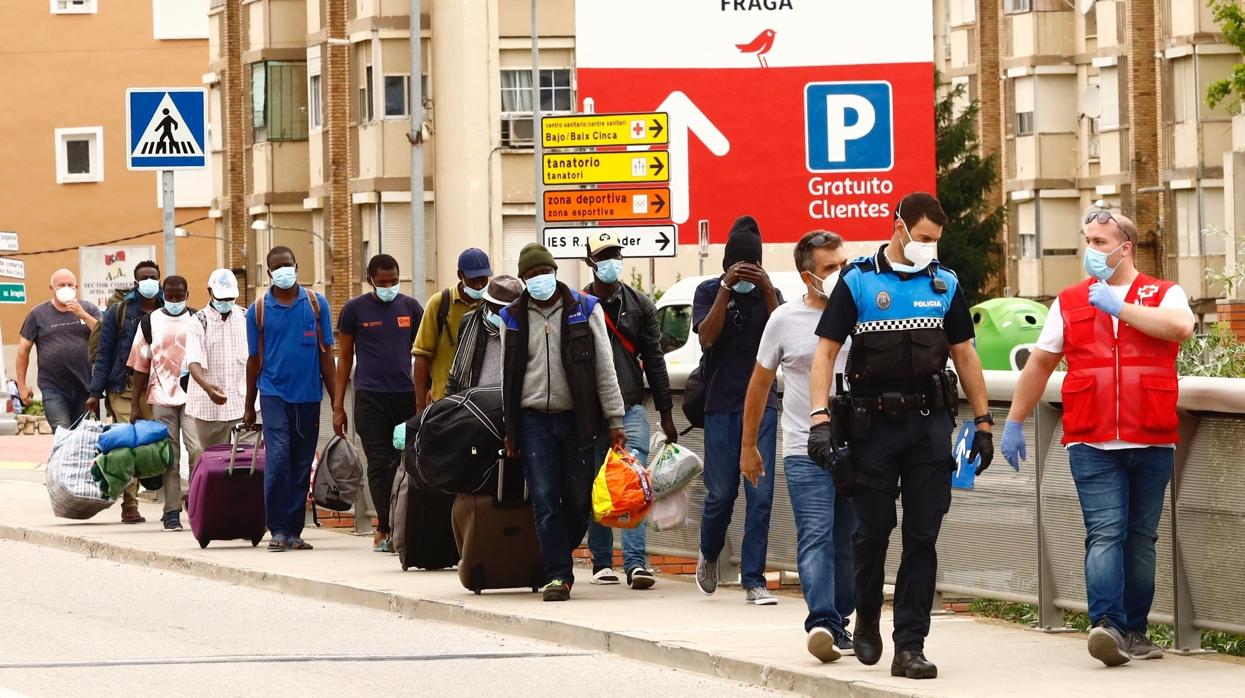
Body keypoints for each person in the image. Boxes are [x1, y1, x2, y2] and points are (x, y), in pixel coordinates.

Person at [807, 192, 994, 680]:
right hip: (871, 427)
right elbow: (826, 353)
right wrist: (820, 419)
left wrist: (983, 421)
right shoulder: (860, 280)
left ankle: (910, 644)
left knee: (922, 537)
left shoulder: (944, 282)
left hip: (929, 426)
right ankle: (866, 616)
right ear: (900, 228)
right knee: (872, 534)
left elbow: (965, 354)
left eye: (936, 240)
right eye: (924, 238)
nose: (930, 247)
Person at [1001, 210, 1194, 667]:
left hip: (1151, 438)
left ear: (1125, 247)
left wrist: (1120, 308)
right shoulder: (1069, 301)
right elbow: (1040, 364)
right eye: (1088, 239)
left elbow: (1181, 328)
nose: (1092, 249)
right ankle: (1107, 627)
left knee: (1141, 539)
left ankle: (1135, 632)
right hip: (1092, 440)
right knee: (1105, 533)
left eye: (1101, 241)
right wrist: (1013, 420)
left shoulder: (1164, 293)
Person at [741, 231, 855, 662]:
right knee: (816, 536)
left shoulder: (862, 314)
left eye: (842, 263)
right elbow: (759, 385)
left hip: (856, 447)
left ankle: (839, 618)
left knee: (851, 538)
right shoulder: (784, 320)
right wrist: (748, 446)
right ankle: (822, 622)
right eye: (830, 268)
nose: (839, 273)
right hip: (804, 446)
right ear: (808, 276)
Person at [500, 242, 627, 602]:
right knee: (543, 497)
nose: (539, 279)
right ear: (523, 280)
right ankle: (557, 574)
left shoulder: (584, 309)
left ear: (555, 271)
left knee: (578, 499)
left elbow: (605, 368)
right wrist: (511, 429)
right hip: (533, 420)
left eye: (544, 272)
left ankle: (560, 549)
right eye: (531, 275)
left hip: (578, 419)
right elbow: (508, 376)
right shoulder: (512, 316)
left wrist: (615, 419)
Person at [692, 215, 783, 606]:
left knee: (760, 497)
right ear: (726, 264)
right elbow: (707, 338)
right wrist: (727, 290)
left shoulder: (770, 295)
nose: (746, 270)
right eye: (738, 264)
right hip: (721, 405)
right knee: (721, 494)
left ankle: (754, 579)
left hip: (763, 406)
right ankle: (710, 554)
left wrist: (765, 292)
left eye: (752, 264)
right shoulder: (708, 290)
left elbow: (784, 338)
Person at [580, 230, 678, 591]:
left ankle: (636, 563)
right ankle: (602, 561)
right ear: (590, 263)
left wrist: (666, 413)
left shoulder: (640, 304)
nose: (612, 261)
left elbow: (654, 358)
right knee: (598, 481)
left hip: (632, 405)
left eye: (616, 254)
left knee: (633, 483)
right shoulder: (579, 305)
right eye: (604, 255)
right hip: (590, 411)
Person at [243, 246, 336, 552]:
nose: (284, 271)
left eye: (288, 265)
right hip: (273, 395)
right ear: (269, 274)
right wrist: (248, 406)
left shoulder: (316, 304)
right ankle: (277, 529)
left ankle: (295, 530)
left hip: (309, 396)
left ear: (297, 266)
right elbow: (254, 361)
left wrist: (337, 404)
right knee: (279, 458)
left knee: (300, 463)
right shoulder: (257, 310)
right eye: (277, 267)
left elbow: (327, 358)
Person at [333, 254, 424, 553]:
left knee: (407, 462)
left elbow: (422, 353)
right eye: (383, 282)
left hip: (405, 396)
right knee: (378, 464)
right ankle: (383, 527)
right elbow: (344, 358)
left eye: (394, 281)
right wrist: (338, 405)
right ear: (370, 279)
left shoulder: (411, 308)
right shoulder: (354, 310)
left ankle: (406, 525)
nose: (389, 287)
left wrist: (426, 395)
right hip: (369, 397)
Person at [87, 260, 164, 524]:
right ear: (135, 282)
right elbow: (105, 354)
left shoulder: (170, 310)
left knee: (155, 443)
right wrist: (95, 392)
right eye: (144, 278)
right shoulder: (118, 312)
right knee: (127, 444)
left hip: (157, 387)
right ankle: (130, 505)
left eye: (153, 277)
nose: (149, 282)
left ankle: (169, 502)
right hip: (123, 386)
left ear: (160, 279)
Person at [127, 276, 197, 532]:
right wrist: (135, 404)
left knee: (198, 451)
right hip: (161, 397)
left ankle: (197, 502)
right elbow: (140, 367)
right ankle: (171, 512)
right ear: (162, 294)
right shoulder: (150, 322)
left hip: (193, 398)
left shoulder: (197, 320)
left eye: (180, 296)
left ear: (187, 293)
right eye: (171, 296)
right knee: (170, 457)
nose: (176, 301)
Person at [16, 270, 101, 431]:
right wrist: (22, 386)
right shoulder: (37, 314)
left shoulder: (88, 308)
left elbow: (103, 335)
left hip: (85, 386)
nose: (66, 288)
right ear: (51, 288)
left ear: (76, 287)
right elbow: (23, 351)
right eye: (61, 285)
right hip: (53, 387)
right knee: (62, 432)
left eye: (70, 285)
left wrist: (81, 314)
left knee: (82, 435)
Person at [185, 269, 249, 477]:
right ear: (209, 292)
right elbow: (193, 361)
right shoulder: (199, 321)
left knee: (246, 463)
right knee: (214, 464)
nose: (226, 303)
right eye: (222, 298)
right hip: (209, 407)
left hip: (242, 404)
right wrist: (207, 388)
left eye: (231, 298)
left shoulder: (246, 317)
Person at [412, 248, 491, 411]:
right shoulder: (440, 303)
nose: (479, 285)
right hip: (445, 401)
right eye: (473, 280)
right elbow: (422, 356)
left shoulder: (493, 304)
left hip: (483, 402)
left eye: (483, 279)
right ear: (460, 275)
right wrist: (420, 406)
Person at [446, 275, 523, 394]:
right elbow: (457, 370)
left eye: (508, 310)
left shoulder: (525, 326)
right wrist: (449, 402)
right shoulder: (469, 322)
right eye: (498, 308)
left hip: (511, 400)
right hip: (475, 401)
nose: (503, 314)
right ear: (488, 303)